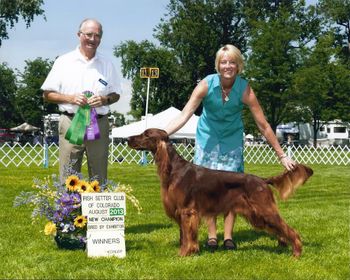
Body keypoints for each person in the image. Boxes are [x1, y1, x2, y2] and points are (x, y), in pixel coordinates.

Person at [164, 44, 296, 251]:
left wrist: (282, 155)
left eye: (232, 62)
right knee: (206, 189)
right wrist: (163, 134)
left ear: (238, 65)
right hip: (207, 140)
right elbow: (185, 114)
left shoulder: (245, 89)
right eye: (223, 62)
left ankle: (228, 236)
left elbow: (263, 125)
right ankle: (211, 236)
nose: (228, 66)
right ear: (218, 65)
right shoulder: (206, 85)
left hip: (231, 142)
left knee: (231, 190)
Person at [41, 18, 121, 184]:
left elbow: (116, 94)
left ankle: (96, 210)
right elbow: (47, 94)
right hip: (71, 122)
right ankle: (68, 210)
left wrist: (105, 99)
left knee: (99, 177)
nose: (92, 39)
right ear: (79, 35)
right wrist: (70, 98)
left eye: (97, 36)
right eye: (89, 34)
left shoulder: (107, 64)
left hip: (99, 124)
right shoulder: (63, 61)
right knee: (68, 174)